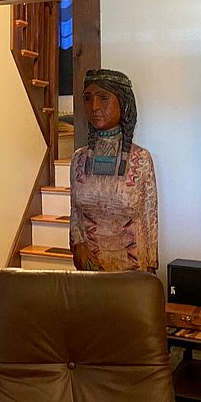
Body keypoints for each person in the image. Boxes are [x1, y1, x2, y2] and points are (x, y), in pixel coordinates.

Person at [69, 69, 158, 272]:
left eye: (103, 98)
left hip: (132, 265)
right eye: (88, 98)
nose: (94, 107)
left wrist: (151, 266)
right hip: (90, 265)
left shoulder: (141, 159)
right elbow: (75, 211)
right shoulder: (79, 159)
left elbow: (149, 218)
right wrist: (78, 244)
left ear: (123, 103)